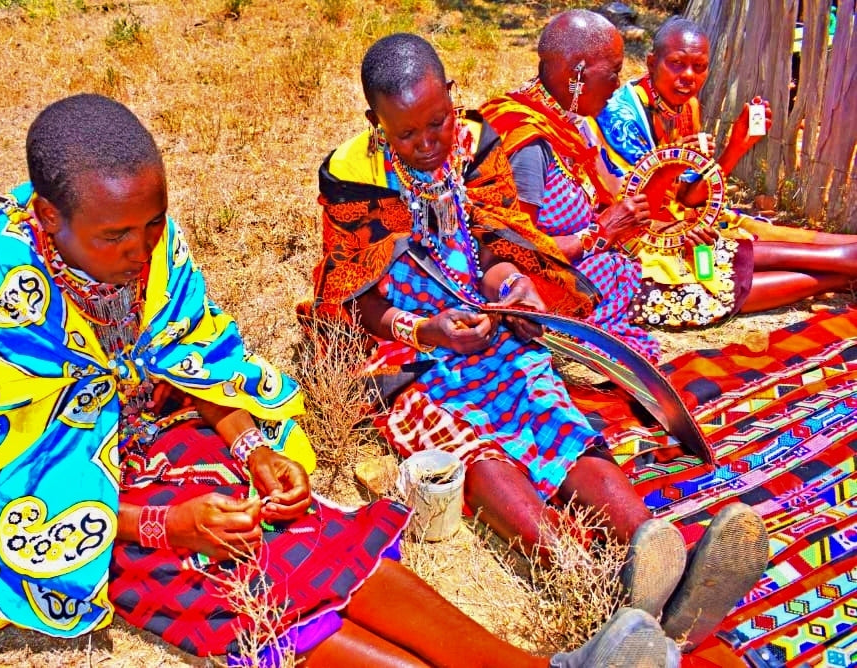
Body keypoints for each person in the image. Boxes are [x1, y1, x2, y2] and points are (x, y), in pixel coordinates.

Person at [0, 93, 679, 667]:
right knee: (231, 583)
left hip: (164, 440)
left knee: (306, 529)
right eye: (115, 236)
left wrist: (251, 449)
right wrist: (158, 525)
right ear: (48, 218)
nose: (143, 251)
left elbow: (192, 360)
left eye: (154, 225)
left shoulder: (147, 243)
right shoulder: (1, 305)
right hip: (77, 497)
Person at [304, 32, 768, 652]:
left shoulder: (475, 144)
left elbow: (500, 239)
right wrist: (425, 329)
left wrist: (512, 280)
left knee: (548, 408)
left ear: (452, 99)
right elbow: (357, 297)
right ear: (374, 122)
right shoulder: (351, 177)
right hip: (410, 345)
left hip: (487, 320)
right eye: (407, 134)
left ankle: (655, 549)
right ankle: (587, 580)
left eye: (437, 123)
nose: (427, 144)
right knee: (468, 444)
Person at [590, 16, 857, 327]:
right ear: (652, 63)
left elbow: (691, 197)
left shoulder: (686, 107)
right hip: (640, 232)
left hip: (679, 219)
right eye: (676, 64)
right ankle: (843, 271)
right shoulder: (623, 116)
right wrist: (673, 165)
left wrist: (737, 146)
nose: (688, 76)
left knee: (752, 232)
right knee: (704, 272)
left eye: (699, 67)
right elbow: (637, 207)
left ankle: (845, 260)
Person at [478, 9, 660, 360]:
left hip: (594, 269)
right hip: (554, 288)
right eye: (613, 73)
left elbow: (610, 192)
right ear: (577, 71)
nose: (617, 85)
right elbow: (509, 251)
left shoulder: (564, 122)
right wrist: (598, 233)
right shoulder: (528, 144)